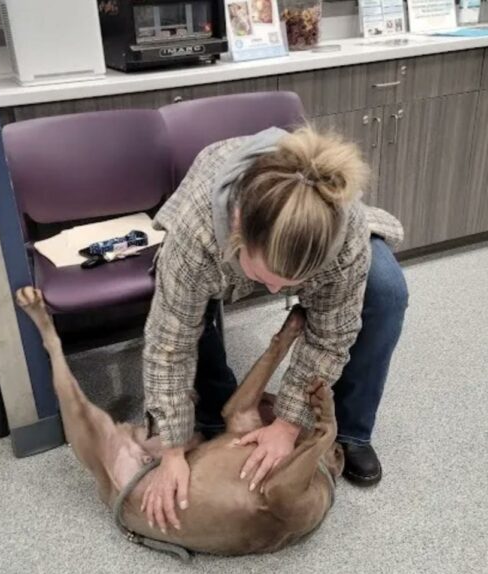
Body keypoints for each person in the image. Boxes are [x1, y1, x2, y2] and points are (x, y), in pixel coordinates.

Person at [140, 126, 408, 531]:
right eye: (264, 276)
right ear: (237, 228)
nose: (274, 291)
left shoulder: (345, 231)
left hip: (310, 238)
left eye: (291, 283)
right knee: (193, 314)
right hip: (210, 222)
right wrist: (172, 449)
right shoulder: (196, 235)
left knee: (387, 289)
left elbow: (330, 336)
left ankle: (351, 431)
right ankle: (212, 409)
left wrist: (289, 422)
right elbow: (168, 344)